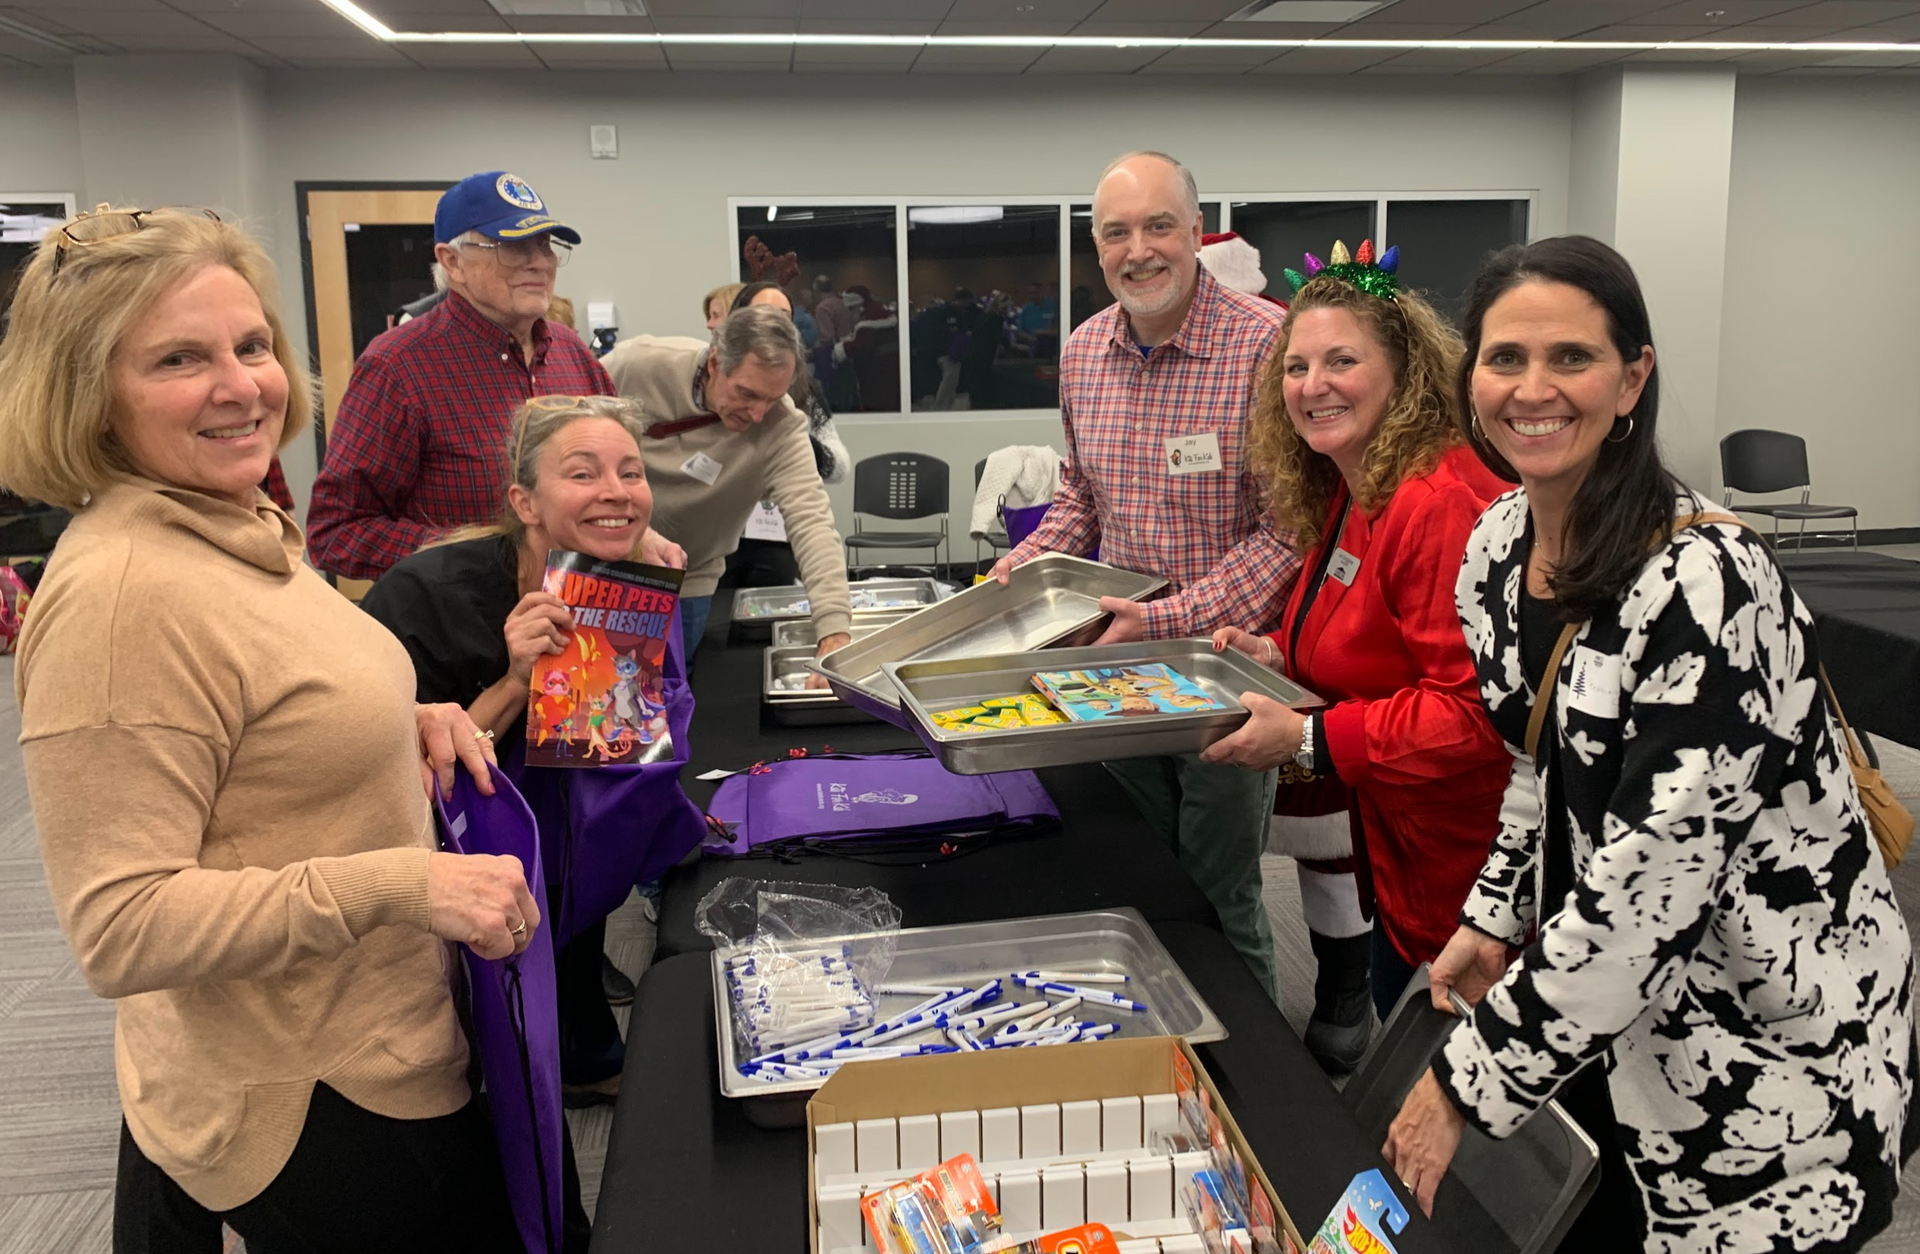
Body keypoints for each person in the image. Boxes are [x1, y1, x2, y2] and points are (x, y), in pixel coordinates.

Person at [0, 204, 534, 1250]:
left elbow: (264, 699)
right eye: (178, 359)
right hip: (305, 1088)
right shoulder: (121, 598)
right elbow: (123, 927)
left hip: (379, 1031)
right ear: (91, 395)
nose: (241, 384)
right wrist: (400, 882)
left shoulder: (227, 520)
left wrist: (398, 714)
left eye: (251, 345)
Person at [1382, 236, 1916, 1249]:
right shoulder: (1498, 545)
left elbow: (1653, 881)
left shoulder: (1705, 584)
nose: (1533, 389)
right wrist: (1496, 915)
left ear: (1633, 380)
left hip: (1769, 1052)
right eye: (1504, 359)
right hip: (1617, 1032)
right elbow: (1539, 767)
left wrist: (1462, 1083)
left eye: (1572, 358)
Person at [991, 151, 1300, 998]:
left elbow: (1288, 533)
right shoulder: (1086, 349)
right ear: (1096, 248)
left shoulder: (1268, 347)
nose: (1139, 250)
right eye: (1115, 233)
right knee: (1137, 876)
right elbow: (1080, 502)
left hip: (1223, 675)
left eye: (1159, 225)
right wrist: (1013, 574)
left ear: (1198, 233)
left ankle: (1259, 1091)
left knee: (1220, 891)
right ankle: (1160, 1052)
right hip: (1111, 675)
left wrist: (1164, 621)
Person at [1199, 241, 1511, 1071]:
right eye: (1297, 366)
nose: (1313, 384)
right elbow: (1366, 637)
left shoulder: (1436, 504)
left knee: (1464, 1113)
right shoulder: (1355, 483)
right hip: (1399, 852)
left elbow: (1474, 716)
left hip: (1475, 871)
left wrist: (1305, 740)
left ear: (1403, 371)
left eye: (1342, 360)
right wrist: (1272, 649)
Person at [361, 393, 699, 1136]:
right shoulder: (429, 599)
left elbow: (613, 760)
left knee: (581, 853)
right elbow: (401, 784)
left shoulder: (620, 585)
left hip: (553, 840)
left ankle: (578, 1048)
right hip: (429, 852)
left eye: (631, 474)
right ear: (526, 502)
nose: (616, 491)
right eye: (584, 474)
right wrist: (516, 681)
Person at [308, 171, 674, 582]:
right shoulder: (398, 367)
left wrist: (641, 537)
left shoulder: (573, 355)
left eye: (545, 245)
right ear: (452, 262)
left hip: (580, 623)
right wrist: (482, 558)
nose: (539, 261)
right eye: (512, 247)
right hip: (460, 630)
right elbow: (336, 532)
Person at [603, 304, 852, 665]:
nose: (757, 415)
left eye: (772, 398)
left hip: (691, 576)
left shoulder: (780, 425)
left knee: (670, 691)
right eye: (748, 394)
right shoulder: (636, 365)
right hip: (607, 565)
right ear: (716, 363)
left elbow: (812, 521)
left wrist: (834, 630)